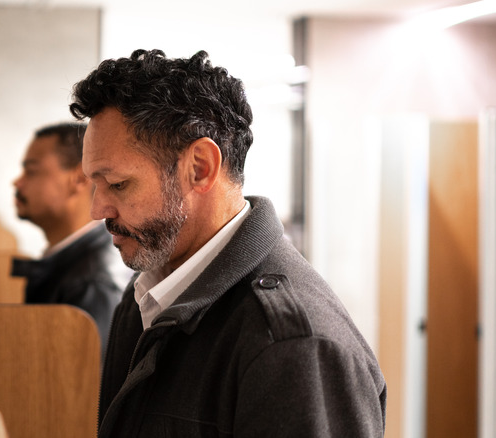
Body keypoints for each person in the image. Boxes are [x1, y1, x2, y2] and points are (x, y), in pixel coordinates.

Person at [69, 50, 387, 437]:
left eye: (118, 184)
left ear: (200, 167)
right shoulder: (143, 299)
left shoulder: (292, 346)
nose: (97, 209)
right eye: (95, 185)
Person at [10, 122, 134, 353]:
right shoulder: (72, 262)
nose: (17, 183)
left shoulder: (93, 284)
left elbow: (83, 386)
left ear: (78, 178)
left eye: (32, 170)